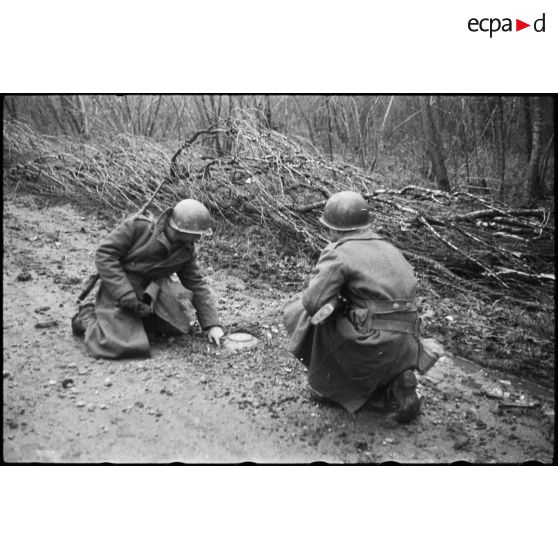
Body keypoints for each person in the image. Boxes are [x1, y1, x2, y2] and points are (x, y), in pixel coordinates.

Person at [283, 190, 439, 423]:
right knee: (348, 316)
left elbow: (313, 302)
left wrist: (335, 303)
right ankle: (393, 383)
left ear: (334, 228)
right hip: (408, 342)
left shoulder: (338, 252)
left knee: (304, 314)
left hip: (373, 342)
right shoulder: (391, 249)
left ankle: (331, 389)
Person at [72, 199, 224, 359]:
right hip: (122, 288)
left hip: (152, 292)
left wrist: (212, 324)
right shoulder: (139, 227)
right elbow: (105, 255)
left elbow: (196, 284)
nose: (199, 238)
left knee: (178, 326)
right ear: (181, 229)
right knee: (122, 346)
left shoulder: (186, 250)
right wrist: (124, 293)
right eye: (196, 234)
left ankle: (134, 321)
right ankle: (88, 318)